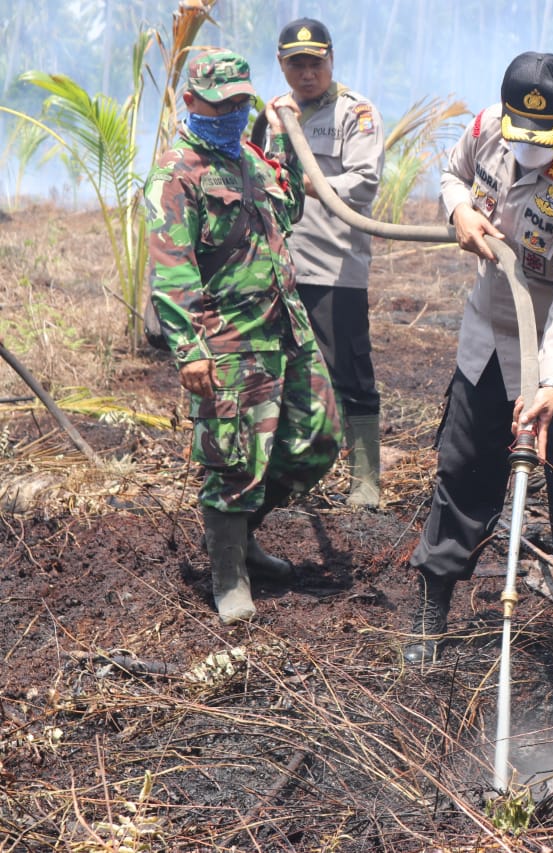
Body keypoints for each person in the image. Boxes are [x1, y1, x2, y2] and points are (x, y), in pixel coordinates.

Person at [402, 51, 553, 663]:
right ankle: (432, 606)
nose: (526, 146)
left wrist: (549, 384)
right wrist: (460, 209)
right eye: (518, 130)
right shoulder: (483, 130)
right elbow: (450, 174)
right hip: (490, 339)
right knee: (464, 471)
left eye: (543, 135)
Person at [144, 48, 343, 624]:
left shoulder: (251, 159)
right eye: (221, 102)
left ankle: (244, 535)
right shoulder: (177, 175)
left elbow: (293, 209)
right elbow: (173, 268)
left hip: (287, 328)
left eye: (241, 102)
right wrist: (190, 350)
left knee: (316, 439)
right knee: (234, 462)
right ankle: (228, 574)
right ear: (191, 102)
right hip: (228, 340)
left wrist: (286, 140)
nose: (233, 112)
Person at [272, 18, 386, 508]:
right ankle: (289, 477)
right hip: (280, 267)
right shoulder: (271, 117)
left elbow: (363, 183)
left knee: (350, 371)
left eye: (314, 62)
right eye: (296, 63)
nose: (306, 73)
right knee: (281, 371)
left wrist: (308, 183)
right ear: (282, 65)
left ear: (331, 59)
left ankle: (365, 481)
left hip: (335, 267)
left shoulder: (355, 113)